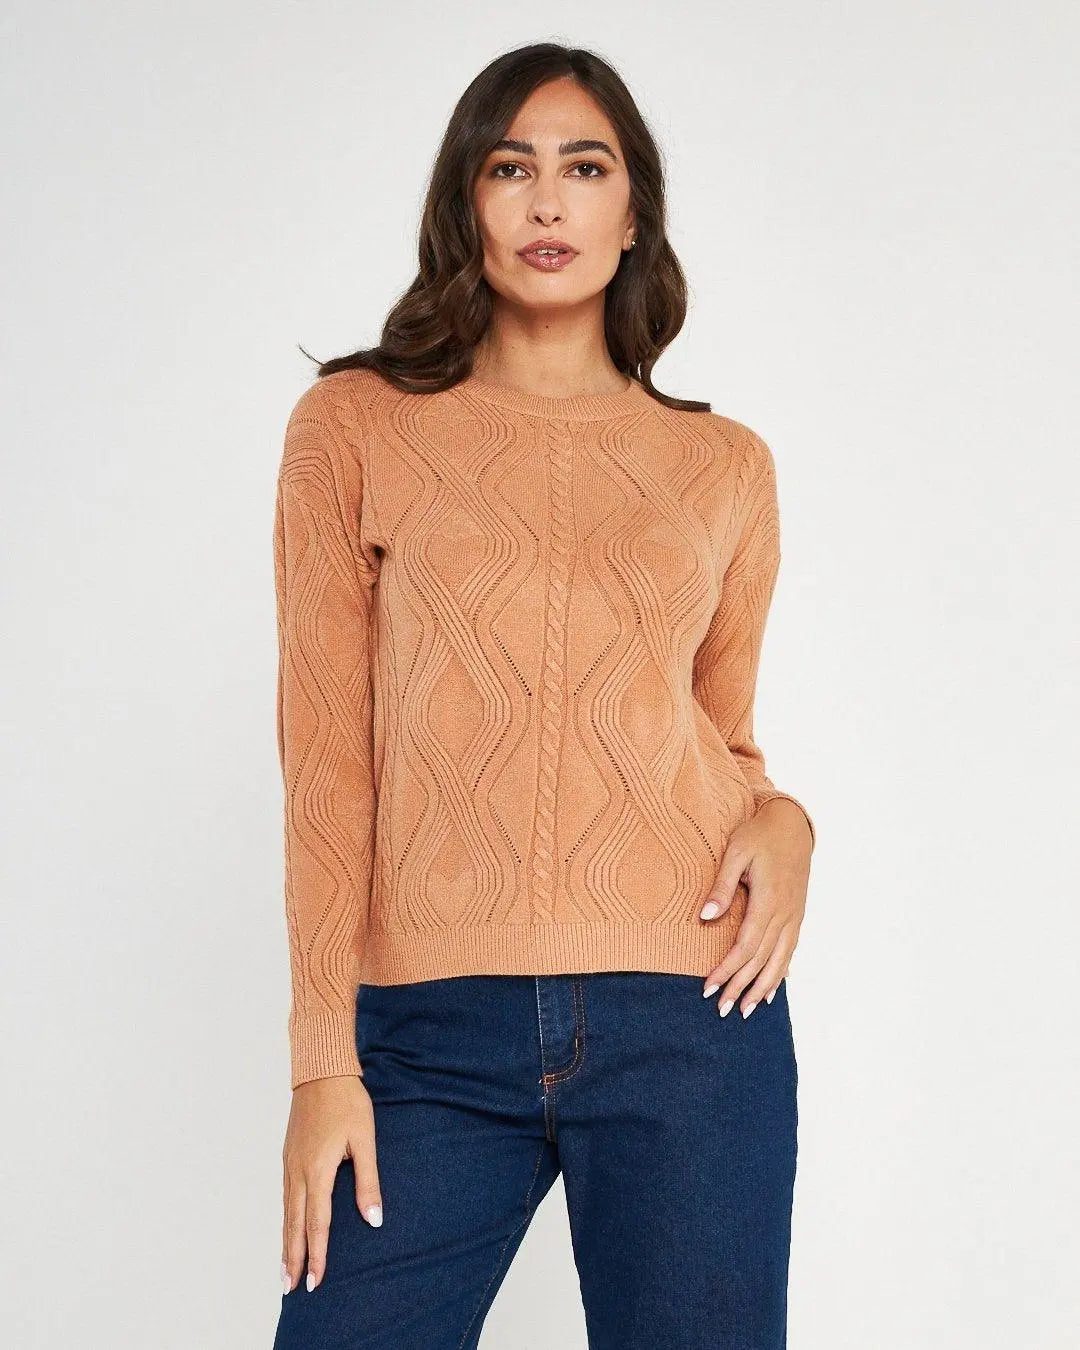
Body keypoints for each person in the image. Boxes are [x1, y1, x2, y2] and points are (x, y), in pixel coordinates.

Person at [271, 41, 815, 1350]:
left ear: (633, 218)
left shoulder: (724, 466)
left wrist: (789, 824)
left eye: (586, 167)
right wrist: (321, 1062)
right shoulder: (353, 427)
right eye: (510, 168)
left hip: (691, 1015)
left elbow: (723, 735)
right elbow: (327, 761)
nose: (548, 200)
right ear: (465, 201)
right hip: (429, 1031)